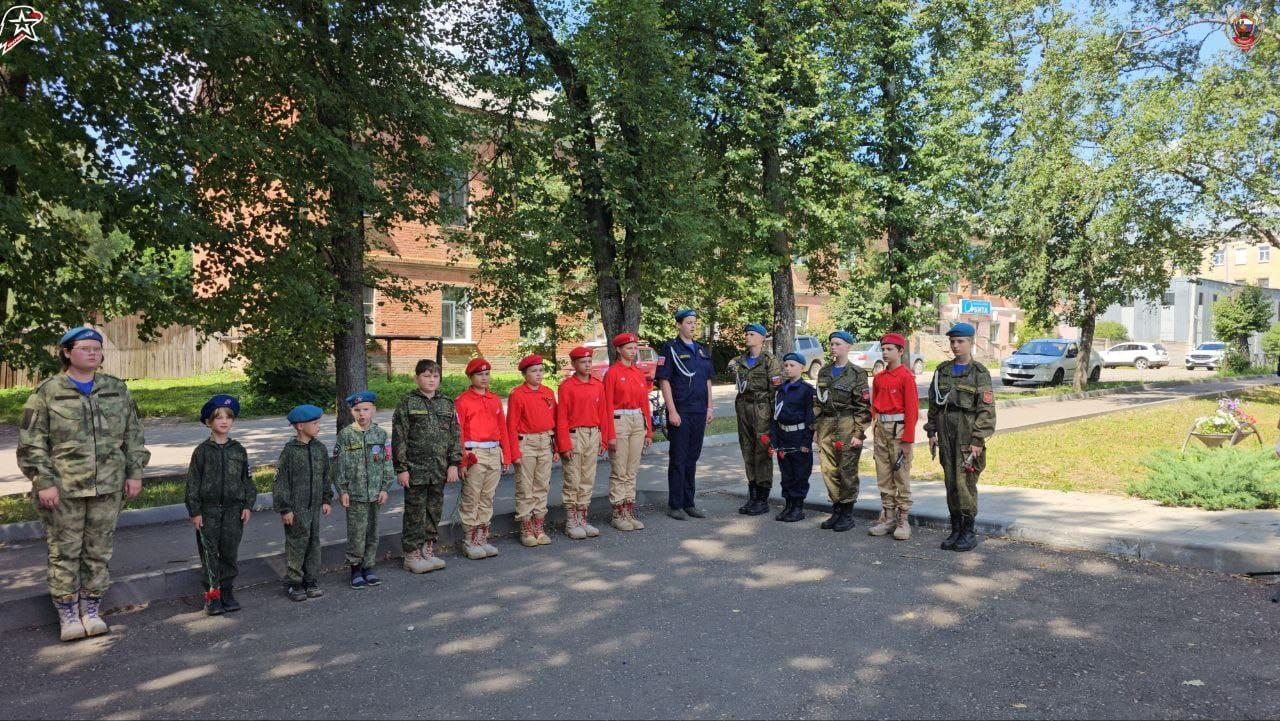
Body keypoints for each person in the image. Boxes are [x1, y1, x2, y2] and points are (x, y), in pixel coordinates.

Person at [17, 326, 150, 641]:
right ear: (66, 352)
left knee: (99, 549)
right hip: (64, 489)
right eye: (85, 348)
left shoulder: (117, 390)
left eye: (97, 348)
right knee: (65, 551)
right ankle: (67, 614)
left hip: (108, 486)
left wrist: (134, 472)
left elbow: (133, 435)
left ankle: (91, 610)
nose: (93, 353)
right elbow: (31, 444)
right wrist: (43, 481)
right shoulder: (48, 392)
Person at [925, 322, 997, 552]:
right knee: (950, 483)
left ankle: (968, 531)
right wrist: (931, 432)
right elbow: (934, 404)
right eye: (952, 341)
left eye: (960, 341)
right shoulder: (942, 370)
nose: (955, 346)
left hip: (967, 435)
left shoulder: (979, 373)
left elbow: (986, 410)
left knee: (965, 483)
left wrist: (978, 440)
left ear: (971, 342)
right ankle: (955, 529)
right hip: (946, 435)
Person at [185, 394, 255, 615]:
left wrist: (247, 504)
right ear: (208, 422)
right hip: (209, 512)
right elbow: (193, 483)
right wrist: (194, 511)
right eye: (218, 418)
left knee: (229, 552)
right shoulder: (202, 452)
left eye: (228, 417)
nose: (224, 421)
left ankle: (227, 591)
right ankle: (212, 596)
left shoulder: (238, 450)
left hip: (234, 511)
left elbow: (247, 480)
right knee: (209, 553)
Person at [392, 359, 462, 573]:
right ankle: (412, 554)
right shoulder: (407, 402)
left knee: (434, 510)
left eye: (435, 376)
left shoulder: (447, 403)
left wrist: (453, 464)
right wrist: (401, 468)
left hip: (439, 468)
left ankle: (427, 549)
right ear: (417, 378)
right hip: (415, 469)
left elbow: (455, 435)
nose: (431, 379)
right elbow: (399, 438)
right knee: (414, 512)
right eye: (426, 375)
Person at [655, 309, 715, 519]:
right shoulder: (671, 349)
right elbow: (664, 381)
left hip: (699, 411)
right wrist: (671, 410)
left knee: (692, 457)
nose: (692, 326)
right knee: (679, 459)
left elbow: (707, 380)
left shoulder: (700, 350)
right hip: (681, 411)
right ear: (679, 325)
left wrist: (710, 406)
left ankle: (689, 502)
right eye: (689, 322)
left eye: (694, 323)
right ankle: (675, 505)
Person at [813, 331, 872, 532]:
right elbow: (819, 403)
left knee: (847, 470)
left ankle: (847, 513)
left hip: (847, 425)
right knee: (829, 470)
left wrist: (858, 434)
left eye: (838, 344)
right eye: (831, 344)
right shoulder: (824, 372)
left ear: (848, 347)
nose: (833, 347)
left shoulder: (857, 374)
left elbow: (863, 407)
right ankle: (836, 510)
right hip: (826, 426)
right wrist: (815, 429)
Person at [274, 404, 334, 601]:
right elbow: (281, 482)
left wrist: (326, 499)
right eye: (315, 423)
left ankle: (311, 580)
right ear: (300, 426)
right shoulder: (290, 452)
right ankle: (293, 582)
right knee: (296, 545)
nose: (319, 427)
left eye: (318, 423)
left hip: (314, 506)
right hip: (296, 509)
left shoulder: (320, 449)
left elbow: (326, 476)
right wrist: (285, 508)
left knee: (313, 544)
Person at [454, 357, 513, 560]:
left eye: (487, 374)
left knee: (487, 496)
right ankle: (469, 539)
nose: (484, 378)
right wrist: (462, 460)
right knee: (472, 496)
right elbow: (459, 432)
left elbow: (502, 428)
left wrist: (506, 454)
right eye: (480, 374)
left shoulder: (495, 399)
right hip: (474, 454)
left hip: (493, 451)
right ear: (471, 377)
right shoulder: (463, 401)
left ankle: (482, 537)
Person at [334, 390, 393, 589]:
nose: (362, 414)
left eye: (366, 409)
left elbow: (387, 462)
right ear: (352, 412)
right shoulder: (346, 436)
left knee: (372, 533)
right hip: (356, 495)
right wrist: (342, 491)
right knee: (356, 534)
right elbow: (339, 466)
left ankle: (368, 567)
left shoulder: (381, 434)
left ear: (373, 411)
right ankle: (355, 569)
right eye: (357, 410)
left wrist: (385, 488)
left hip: (375, 494)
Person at [557, 346, 614, 539]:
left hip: (593, 434)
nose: (587, 365)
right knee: (573, 478)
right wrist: (563, 444)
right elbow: (562, 418)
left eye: (589, 361)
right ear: (574, 364)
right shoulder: (566, 386)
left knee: (588, 479)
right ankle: (571, 521)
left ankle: (582, 518)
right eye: (583, 362)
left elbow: (603, 414)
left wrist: (603, 439)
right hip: (574, 436)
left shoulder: (598, 385)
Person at [868, 333, 919, 540]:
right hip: (881, 430)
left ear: (900, 352)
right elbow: (874, 406)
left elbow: (912, 411)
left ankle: (903, 519)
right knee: (883, 475)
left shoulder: (906, 377)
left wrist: (907, 441)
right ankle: (888, 517)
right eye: (883, 349)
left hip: (899, 432)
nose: (885, 353)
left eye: (890, 349)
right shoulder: (879, 378)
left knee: (901, 475)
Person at [728, 323, 782, 516]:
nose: (747, 337)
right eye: (746, 334)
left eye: (751, 334)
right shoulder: (739, 361)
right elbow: (731, 372)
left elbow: (776, 391)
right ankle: (752, 494)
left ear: (761, 338)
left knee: (762, 452)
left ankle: (762, 497)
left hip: (762, 409)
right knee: (747, 450)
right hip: (743, 407)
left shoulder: (769, 361)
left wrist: (775, 418)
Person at [507, 354, 558, 547]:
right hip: (525, 443)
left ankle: (539, 525)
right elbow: (511, 425)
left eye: (541, 370)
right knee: (525, 487)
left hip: (545, 441)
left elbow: (553, 420)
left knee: (541, 485)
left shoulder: (547, 392)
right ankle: (526, 527)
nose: (538, 374)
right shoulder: (517, 394)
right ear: (524, 374)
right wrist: (515, 452)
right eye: (534, 371)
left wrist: (555, 447)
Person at [603, 333, 652, 531]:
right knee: (619, 470)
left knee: (632, 470)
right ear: (619, 350)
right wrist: (610, 434)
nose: (633, 351)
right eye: (629, 348)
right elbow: (606, 405)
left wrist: (648, 431)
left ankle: (628, 509)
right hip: (619, 421)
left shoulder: (638, 373)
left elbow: (644, 405)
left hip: (637, 421)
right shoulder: (612, 373)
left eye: (635, 348)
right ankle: (618, 512)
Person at [770, 353, 816, 522]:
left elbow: (811, 417)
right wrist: (775, 440)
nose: (788, 368)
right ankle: (788, 505)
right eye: (786, 365)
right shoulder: (781, 389)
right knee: (786, 473)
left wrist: (806, 441)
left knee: (799, 474)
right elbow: (775, 415)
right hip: (783, 435)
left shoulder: (807, 391)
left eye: (792, 365)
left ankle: (798, 507)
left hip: (799, 436)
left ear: (802, 368)